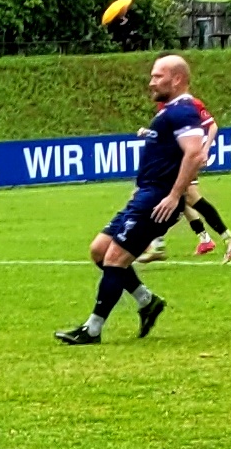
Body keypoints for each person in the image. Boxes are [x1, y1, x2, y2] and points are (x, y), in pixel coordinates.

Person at [57, 54, 205, 345]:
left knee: (114, 259)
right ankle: (147, 301)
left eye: (158, 76)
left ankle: (92, 330)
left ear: (176, 79)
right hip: (145, 194)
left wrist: (174, 195)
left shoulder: (184, 111)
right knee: (100, 250)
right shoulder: (170, 111)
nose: (151, 82)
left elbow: (195, 154)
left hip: (158, 199)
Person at [138, 93, 231, 264]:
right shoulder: (165, 107)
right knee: (185, 198)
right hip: (175, 158)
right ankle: (219, 236)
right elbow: (167, 135)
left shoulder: (189, 103)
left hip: (185, 158)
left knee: (169, 196)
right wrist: (149, 133)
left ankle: (157, 243)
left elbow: (212, 126)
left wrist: (205, 150)